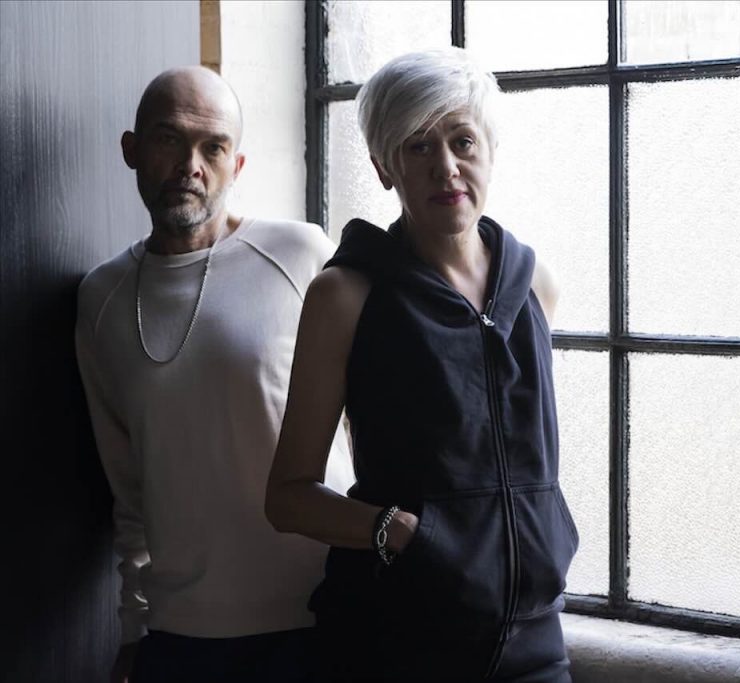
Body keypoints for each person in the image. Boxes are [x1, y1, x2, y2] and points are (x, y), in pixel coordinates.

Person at [265, 47, 578, 682]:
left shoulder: (535, 286)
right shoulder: (347, 295)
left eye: (463, 141)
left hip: (535, 647)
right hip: (397, 646)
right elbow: (288, 498)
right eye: (418, 146)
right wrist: (398, 531)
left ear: (490, 150)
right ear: (385, 167)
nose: (446, 167)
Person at [75, 66, 351, 683]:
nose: (189, 165)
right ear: (132, 149)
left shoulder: (301, 254)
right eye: (169, 139)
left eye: (213, 147)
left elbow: (377, 416)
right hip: (181, 635)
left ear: (237, 164)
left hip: (322, 615)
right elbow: (128, 487)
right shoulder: (102, 298)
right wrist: (132, 627)